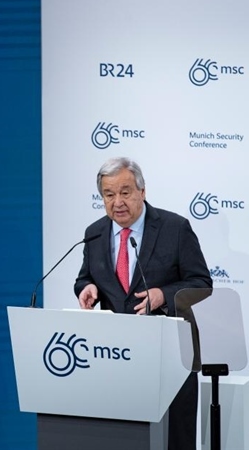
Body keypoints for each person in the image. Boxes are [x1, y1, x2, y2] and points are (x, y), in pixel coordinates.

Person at [74, 157, 212, 450]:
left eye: (125, 192)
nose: (118, 202)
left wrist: (163, 295)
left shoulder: (175, 228)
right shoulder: (94, 233)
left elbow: (201, 284)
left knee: (174, 441)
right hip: (114, 360)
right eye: (109, 195)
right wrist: (87, 288)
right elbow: (85, 277)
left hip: (169, 360)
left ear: (142, 191)